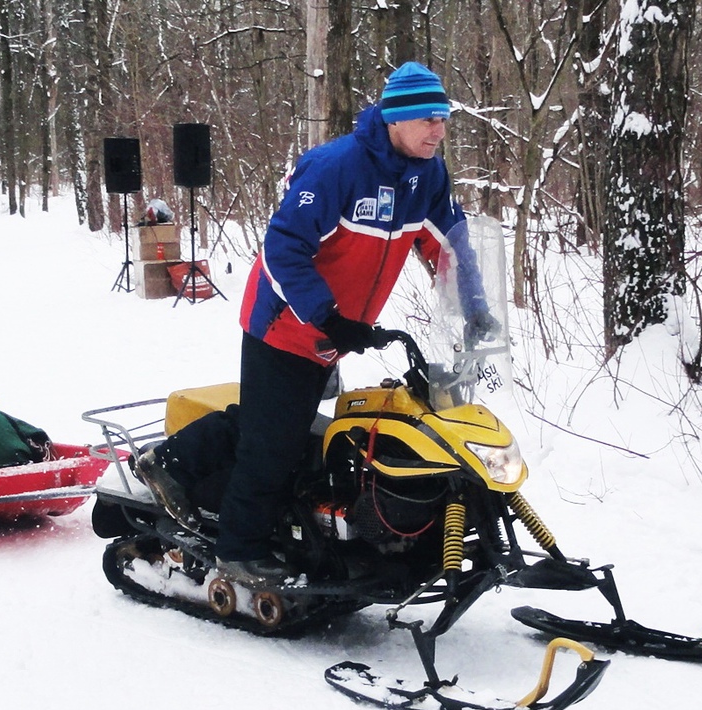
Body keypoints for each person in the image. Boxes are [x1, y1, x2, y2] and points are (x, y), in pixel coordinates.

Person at [138, 62, 496, 587]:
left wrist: (477, 308)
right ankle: (238, 549)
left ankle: (173, 459)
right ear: (395, 119)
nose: (438, 130)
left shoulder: (428, 176)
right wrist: (327, 316)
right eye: (426, 120)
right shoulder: (336, 168)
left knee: (283, 424)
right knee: (273, 443)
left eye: (443, 118)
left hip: (334, 334)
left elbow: (452, 246)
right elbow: (283, 249)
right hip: (284, 322)